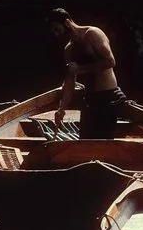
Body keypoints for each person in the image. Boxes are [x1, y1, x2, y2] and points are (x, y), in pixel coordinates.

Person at [51, 9, 132, 138]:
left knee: (103, 144)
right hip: (90, 99)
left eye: (57, 30)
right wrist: (62, 109)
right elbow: (70, 81)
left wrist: (81, 69)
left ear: (67, 23)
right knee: (85, 142)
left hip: (109, 97)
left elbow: (110, 61)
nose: (56, 35)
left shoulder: (93, 34)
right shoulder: (69, 50)